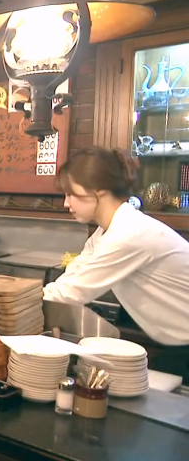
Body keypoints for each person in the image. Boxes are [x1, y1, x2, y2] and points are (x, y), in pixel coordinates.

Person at [43, 146, 189, 346]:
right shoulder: (105, 231)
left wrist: (16, 301)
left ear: (99, 190)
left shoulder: (128, 233)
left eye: (71, 194)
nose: (66, 203)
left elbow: (73, 291)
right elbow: (76, 273)